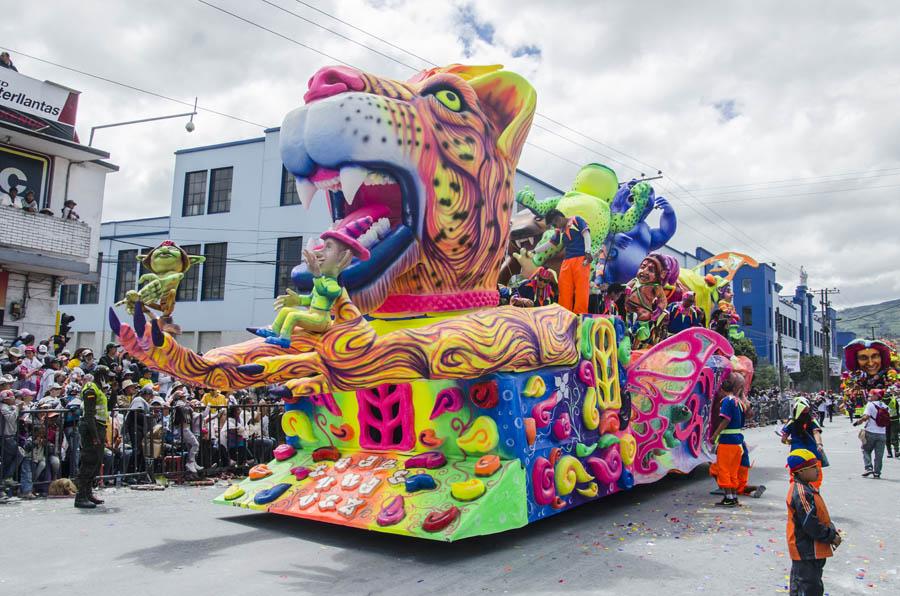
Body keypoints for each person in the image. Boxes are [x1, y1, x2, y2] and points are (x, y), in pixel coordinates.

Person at [786, 449, 841, 596]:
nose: (818, 470)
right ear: (801, 471)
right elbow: (810, 524)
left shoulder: (808, 487)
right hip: (807, 549)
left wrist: (831, 530)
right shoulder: (802, 493)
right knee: (808, 588)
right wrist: (831, 535)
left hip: (812, 550)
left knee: (809, 586)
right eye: (814, 467)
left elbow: (820, 515)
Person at [534, 209, 594, 314]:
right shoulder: (559, 231)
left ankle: (580, 314)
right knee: (564, 288)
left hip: (581, 259)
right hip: (567, 261)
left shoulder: (576, 220)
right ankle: (564, 313)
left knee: (581, 288)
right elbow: (551, 244)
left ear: (559, 218)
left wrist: (588, 251)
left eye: (554, 223)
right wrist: (535, 251)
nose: (555, 226)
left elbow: (586, 234)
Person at [75, 366, 113, 508]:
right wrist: (95, 436)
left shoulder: (100, 389)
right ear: (101, 376)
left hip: (100, 427)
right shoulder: (91, 388)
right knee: (89, 462)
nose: (109, 379)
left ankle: (88, 492)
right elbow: (89, 415)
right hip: (92, 428)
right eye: (107, 376)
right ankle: (80, 497)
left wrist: (113, 390)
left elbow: (110, 406)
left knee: (96, 463)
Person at [710, 371, 747, 507]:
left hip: (727, 441)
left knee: (723, 469)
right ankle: (734, 496)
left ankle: (728, 497)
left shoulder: (726, 401)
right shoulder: (740, 402)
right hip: (738, 441)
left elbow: (725, 419)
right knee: (732, 470)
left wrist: (715, 435)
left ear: (722, 389)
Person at [781, 397, 825, 489]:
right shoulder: (812, 420)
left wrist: (788, 441)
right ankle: (813, 496)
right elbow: (816, 433)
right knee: (815, 479)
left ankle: (797, 495)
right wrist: (819, 444)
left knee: (795, 478)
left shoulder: (791, 422)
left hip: (797, 454)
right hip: (812, 453)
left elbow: (783, 439)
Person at [853, 389, 889, 478]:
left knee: (865, 449)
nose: (870, 396)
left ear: (876, 396)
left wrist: (858, 422)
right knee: (879, 455)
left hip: (870, 432)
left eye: (872, 395)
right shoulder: (885, 406)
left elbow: (866, 417)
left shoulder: (870, 405)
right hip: (882, 434)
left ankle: (868, 468)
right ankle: (877, 473)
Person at [886, 389, 899, 459]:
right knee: (890, 437)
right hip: (890, 421)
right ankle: (892, 452)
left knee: (892, 436)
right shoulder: (894, 401)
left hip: (892, 420)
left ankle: (894, 451)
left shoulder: (893, 401)